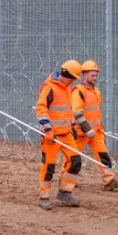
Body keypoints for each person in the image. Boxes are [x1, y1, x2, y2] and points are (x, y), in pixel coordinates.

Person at [35, 59, 84, 209]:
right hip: (51, 136)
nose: (73, 82)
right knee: (49, 166)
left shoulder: (67, 87)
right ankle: (44, 197)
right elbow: (41, 110)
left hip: (66, 133)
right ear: (66, 75)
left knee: (75, 161)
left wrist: (73, 126)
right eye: (73, 79)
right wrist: (48, 130)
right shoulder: (49, 88)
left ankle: (65, 192)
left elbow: (66, 110)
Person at [72, 60, 118, 192]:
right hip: (81, 132)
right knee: (72, 157)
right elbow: (77, 112)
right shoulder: (78, 91)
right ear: (84, 75)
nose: (95, 78)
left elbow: (95, 112)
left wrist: (95, 128)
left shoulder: (96, 91)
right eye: (92, 75)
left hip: (96, 132)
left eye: (96, 75)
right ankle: (65, 179)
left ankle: (109, 181)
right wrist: (87, 128)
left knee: (103, 155)